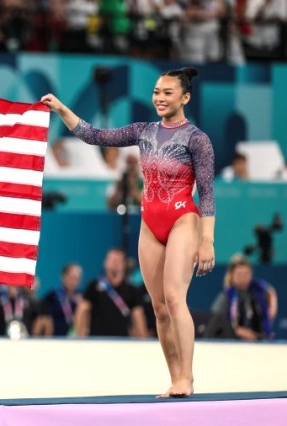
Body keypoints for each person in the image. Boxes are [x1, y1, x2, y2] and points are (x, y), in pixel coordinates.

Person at [42, 66, 216, 397]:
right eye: (156, 92)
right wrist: (63, 109)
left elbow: (206, 192)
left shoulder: (197, 139)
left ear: (185, 97)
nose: (159, 98)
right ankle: (175, 377)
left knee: (175, 298)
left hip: (183, 218)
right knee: (159, 308)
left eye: (167, 92)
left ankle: (188, 378)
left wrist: (207, 239)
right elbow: (94, 135)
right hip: (150, 221)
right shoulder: (143, 131)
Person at [74, 248, 148, 338]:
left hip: (123, 342)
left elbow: (138, 317)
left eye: (118, 260)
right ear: (105, 262)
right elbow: (82, 310)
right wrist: (79, 337)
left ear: (124, 264)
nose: (115, 263)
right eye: (112, 259)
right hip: (96, 341)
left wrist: (144, 341)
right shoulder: (94, 286)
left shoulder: (132, 290)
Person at [207, 255, 277, 340]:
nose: (243, 278)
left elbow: (271, 294)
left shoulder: (259, 294)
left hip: (260, 341)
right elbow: (216, 323)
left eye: (246, 274)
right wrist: (238, 331)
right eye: (239, 274)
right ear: (231, 275)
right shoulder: (225, 297)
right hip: (233, 343)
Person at [38, 262, 83, 336]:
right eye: (72, 278)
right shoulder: (51, 296)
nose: (74, 282)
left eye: (77, 279)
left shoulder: (83, 298)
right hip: (55, 340)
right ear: (63, 277)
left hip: (76, 340)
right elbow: (44, 321)